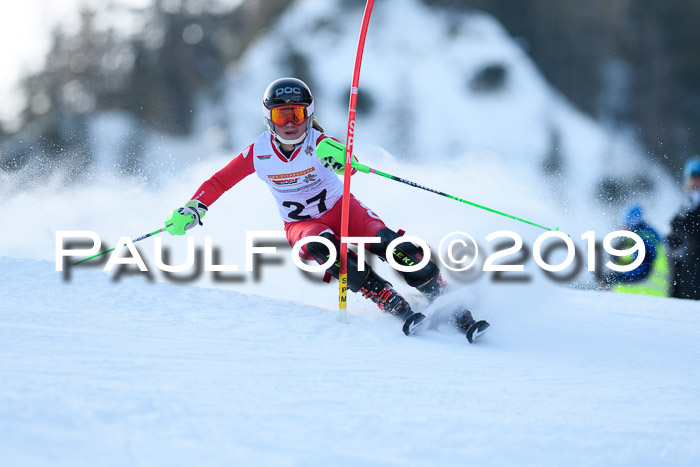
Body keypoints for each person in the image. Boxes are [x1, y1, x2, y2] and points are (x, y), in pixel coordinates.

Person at [165, 77, 486, 337]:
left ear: (309, 114)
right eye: (281, 115)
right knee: (325, 249)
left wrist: (343, 160)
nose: (290, 123)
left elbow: (351, 165)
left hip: (344, 209)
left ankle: (443, 296)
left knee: (394, 247)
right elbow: (220, 181)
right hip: (303, 225)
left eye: (298, 113)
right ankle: (384, 296)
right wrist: (194, 208)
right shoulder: (258, 153)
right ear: (268, 118)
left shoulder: (318, 143)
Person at [599, 205, 670, 296]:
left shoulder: (643, 240)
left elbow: (641, 271)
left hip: (645, 296)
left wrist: (613, 277)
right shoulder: (644, 237)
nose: (621, 229)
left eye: (624, 226)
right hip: (643, 297)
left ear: (630, 225)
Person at [667, 157, 700, 300]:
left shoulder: (692, 208)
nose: (694, 182)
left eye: (697, 177)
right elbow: (675, 238)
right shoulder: (687, 205)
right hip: (686, 277)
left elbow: (692, 232)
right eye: (691, 177)